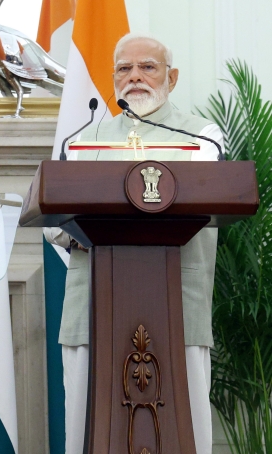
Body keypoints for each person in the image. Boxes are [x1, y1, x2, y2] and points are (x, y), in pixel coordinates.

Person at [45, 33, 223, 454]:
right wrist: (85, 234)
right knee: (89, 427)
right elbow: (53, 222)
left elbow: (206, 199)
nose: (135, 77)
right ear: (113, 79)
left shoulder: (203, 137)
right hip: (94, 305)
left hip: (177, 301)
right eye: (124, 69)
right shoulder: (85, 138)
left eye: (148, 67)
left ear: (172, 77)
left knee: (184, 429)